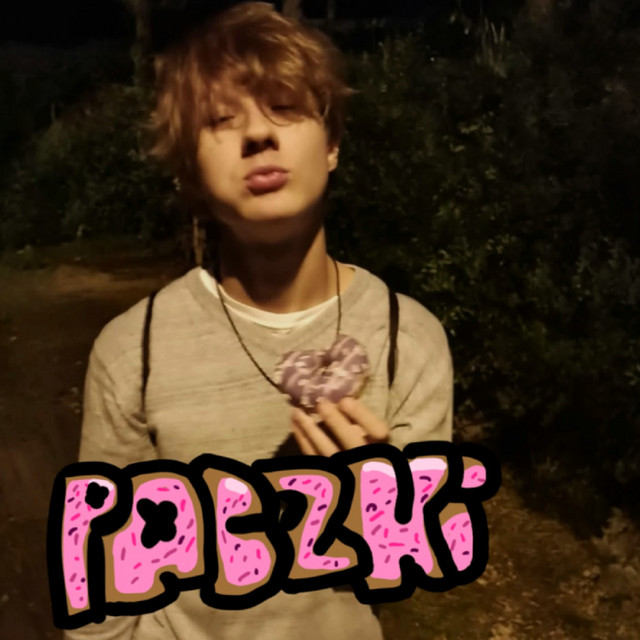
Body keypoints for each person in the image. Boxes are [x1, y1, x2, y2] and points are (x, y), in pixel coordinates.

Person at [65, 2, 453, 639]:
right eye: (221, 120)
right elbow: (104, 595)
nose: (257, 136)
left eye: (284, 107)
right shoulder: (133, 351)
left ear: (331, 144)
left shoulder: (406, 338)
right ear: (191, 174)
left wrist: (378, 509)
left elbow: (407, 573)